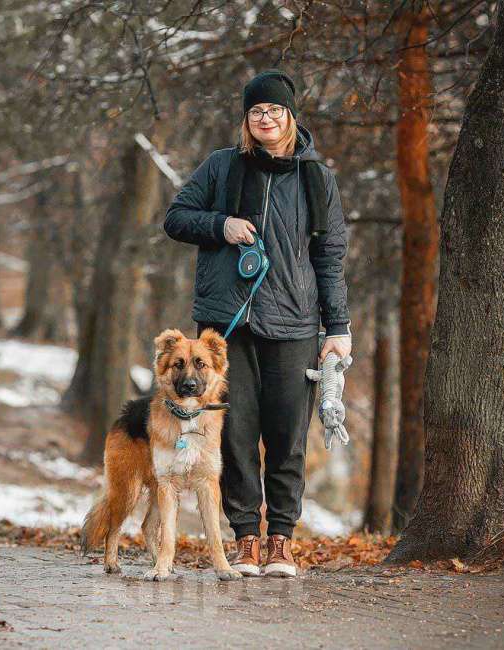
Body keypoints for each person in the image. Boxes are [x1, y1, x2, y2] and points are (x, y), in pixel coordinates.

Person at [163, 69, 352, 578]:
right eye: (255, 111)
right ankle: (246, 539)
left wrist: (337, 328)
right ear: (246, 119)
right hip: (227, 328)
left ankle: (281, 542)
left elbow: (330, 258)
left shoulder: (317, 179)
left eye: (274, 110)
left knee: (288, 436)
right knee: (235, 434)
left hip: (294, 322)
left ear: (290, 115)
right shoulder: (222, 167)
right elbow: (176, 217)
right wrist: (220, 225)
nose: (265, 118)